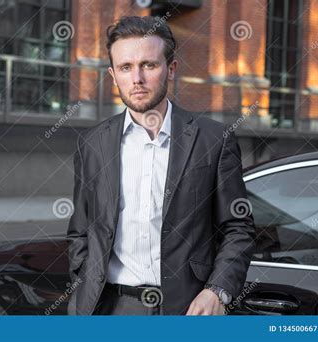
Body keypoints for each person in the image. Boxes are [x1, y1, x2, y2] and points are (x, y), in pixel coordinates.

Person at [66, 15, 255, 315]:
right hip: (108, 308)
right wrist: (83, 280)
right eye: (126, 67)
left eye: (149, 65)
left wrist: (217, 291)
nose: (137, 79)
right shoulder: (92, 144)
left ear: (171, 69)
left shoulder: (212, 140)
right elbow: (80, 230)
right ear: (113, 75)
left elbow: (238, 228)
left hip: (185, 308)